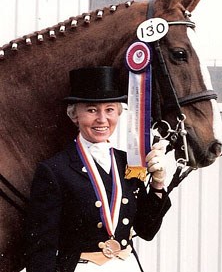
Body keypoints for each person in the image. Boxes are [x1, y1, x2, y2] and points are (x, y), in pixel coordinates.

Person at [25, 66, 171, 272]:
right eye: (92, 110)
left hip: (126, 266)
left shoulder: (129, 163)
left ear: (118, 113)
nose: (102, 119)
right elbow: (41, 248)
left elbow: (146, 230)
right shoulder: (54, 170)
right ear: (75, 115)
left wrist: (158, 182)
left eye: (109, 109)